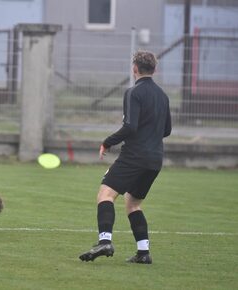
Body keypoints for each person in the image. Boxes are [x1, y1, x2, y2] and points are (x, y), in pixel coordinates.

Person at [79, 50, 171, 264]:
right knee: (133, 204)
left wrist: (107, 141)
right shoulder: (163, 96)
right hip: (155, 160)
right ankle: (143, 252)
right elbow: (166, 130)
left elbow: (130, 126)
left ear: (135, 68)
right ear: (155, 70)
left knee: (105, 195)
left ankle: (105, 240)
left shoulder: (133, 92)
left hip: (134, 157)